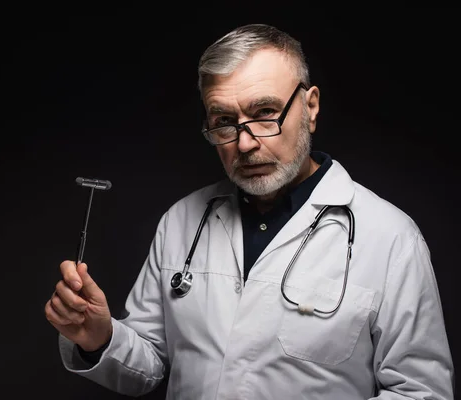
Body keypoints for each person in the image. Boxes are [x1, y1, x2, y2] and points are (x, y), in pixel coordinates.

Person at [44, 23, 455, 399]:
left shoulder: (390, 237)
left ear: (310, 107)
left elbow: (421, 391)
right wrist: (99, 338)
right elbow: (151, 364)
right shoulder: (181, 221)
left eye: (264, 113)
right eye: (224, 121)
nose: (244, 143)